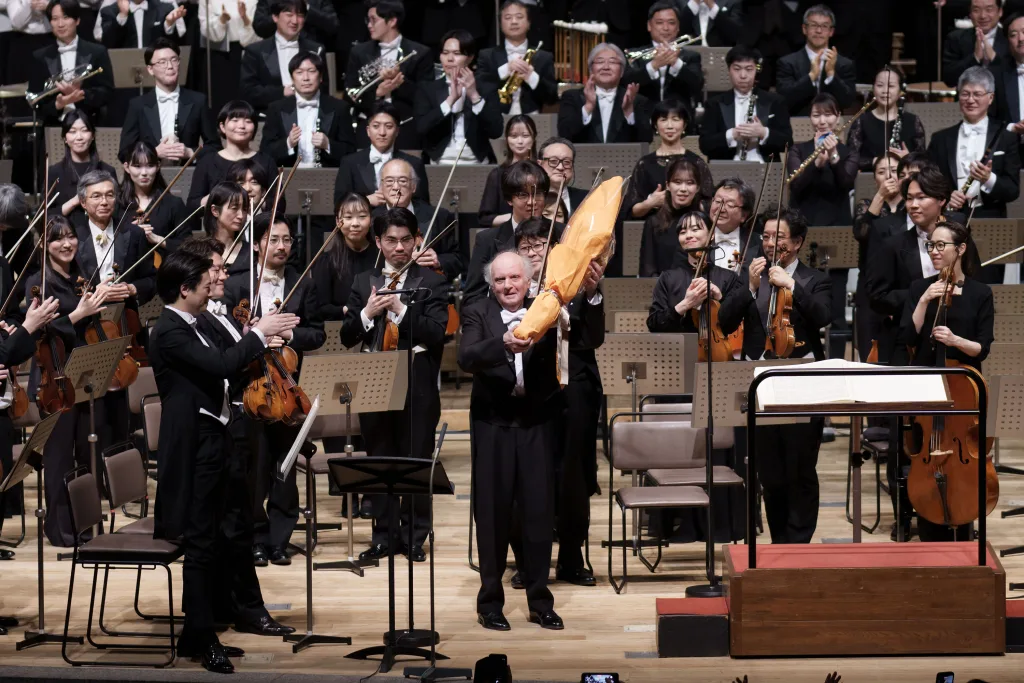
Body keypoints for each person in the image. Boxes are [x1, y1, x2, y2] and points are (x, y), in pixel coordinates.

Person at [150, 249, 297, 673]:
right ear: (185, 288)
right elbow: (220, 365)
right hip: (194, 446)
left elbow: (229, 365)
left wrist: (259, 337)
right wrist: (257, 332)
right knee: (199, 545)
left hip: (212, 441)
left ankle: (196, 633)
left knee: (211, 540)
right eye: (204, 279)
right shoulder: (169, 331)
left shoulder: (195, 325)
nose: (212, 282)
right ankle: (201, 637)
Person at [459, 250, 563, 632]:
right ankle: (489, 603)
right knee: (491, 514)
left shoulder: (548, 308)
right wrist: (501, 343)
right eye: (500, 280)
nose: (507, 286)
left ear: (528, 280)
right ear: (492, 284)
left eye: (514, 279)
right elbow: (466, 357)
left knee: (538, 514)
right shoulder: (476, 311)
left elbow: (587, 337)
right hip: (493, 424)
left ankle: (540, 601)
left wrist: (592, 295)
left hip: (537, 423)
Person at [339, 207, 448, 563]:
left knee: (416, 456)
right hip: (375, 375)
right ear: (378, 242)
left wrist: (401, 309)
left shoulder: (431, 282)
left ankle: (416, 535)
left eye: (405, 240)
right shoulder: (361, 281)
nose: (399, 247)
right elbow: (346, 336)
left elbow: (435, 335)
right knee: (380, 457)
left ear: (417, 239)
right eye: (391, 240)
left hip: (416, 376)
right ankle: (384, 534)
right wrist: (367, 314)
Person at [718, 207, 831, 543]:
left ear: (796, 242)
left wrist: (792, 285)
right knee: (770, 469)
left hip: (803, 381)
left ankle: (799, 541)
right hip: (760, 381)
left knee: (800, 466)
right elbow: (724, 322)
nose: (769, 243)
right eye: (765, 237)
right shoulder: (751, 275)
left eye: (777, 237)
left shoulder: (815, 279)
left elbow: (823, 316)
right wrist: (750, 288)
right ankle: (779, 540)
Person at [220, 212, 324, 565]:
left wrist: (291, 335)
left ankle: (279, 539)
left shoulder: (303, 281)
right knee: (252, 468)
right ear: (257, 243)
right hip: (250, 390)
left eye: (287, 240)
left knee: (285, 466)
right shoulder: (237, 285)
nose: (282, 247)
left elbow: (318, 333)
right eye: (274, 240)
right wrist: (256, 334)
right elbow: (225, 338)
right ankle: (255, 538)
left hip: (288, 389)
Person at [514, 218, 605, 586]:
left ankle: (571, 558)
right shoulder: (511, 288)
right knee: (529, 481)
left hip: (575, 394)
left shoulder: (579, 283)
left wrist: (593, 295)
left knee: (574, 479)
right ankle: (528, 563)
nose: (535, 252)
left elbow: (592, 340)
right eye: (527, 246)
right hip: (529, 396)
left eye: (542, 245)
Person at [895, 220, 994, 542]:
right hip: (925, 387)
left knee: (962, 455)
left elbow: (982, 347)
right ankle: (927, 530)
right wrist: (924, 300)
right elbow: (907, 337)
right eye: (931, 246)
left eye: (941, 246)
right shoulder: (919, 287)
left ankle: (965, 526)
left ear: (961, 249)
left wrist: (954, 341)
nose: (935, 252)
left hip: (964, 389)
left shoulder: (981, 293)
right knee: (925, 452)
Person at [24, 216, 111, 546]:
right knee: (59, 456)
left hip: (84, 373)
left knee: (85, 453)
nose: (66, 243)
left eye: (71, 237)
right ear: (44, 245)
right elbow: (39, 333)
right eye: (57, 238)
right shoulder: (39, 283)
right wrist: (78, 314)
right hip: (54, 379)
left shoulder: (81, 278)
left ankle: (84, 523)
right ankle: (60, 530)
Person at [787, 92, 858, 358]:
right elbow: (796, 184)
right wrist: (817, 162)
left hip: (837, 233)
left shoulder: (849, 150)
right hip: (804, 233)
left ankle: (838, 360)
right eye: (817, 114)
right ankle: (806, 357)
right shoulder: (798, 149)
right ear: (810, 119)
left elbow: (846, 182)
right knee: (802, 294)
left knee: (836, 302)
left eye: (828, 114)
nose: (823, 120)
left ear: (838, 117)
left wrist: (834, 157)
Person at [928, 66, 1021, 222]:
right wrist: (945, 198)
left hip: (991, 218)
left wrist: (988, 178)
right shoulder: (940, 139)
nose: (970, 100)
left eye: (977, 94)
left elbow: (1012, 191)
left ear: (990, 98)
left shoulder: (1006, 137)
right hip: (949, 218)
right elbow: (929, 182)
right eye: (965, 94)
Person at [345, 0, 432, 150]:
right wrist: (377, 93)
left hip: (406, 130)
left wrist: (400, 82)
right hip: (368, 129)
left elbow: (427, 97)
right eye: (368, 20)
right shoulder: (358, 52)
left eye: (373, 20)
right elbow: (349, 94)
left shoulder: (420, 53)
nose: (369, 25)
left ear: (392, 21)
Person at [464, 159, 550, 307]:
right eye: (523, 195)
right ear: (509, 199)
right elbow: (472, 299)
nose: (532, 202)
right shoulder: (487, 240)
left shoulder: (561, 233)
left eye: (538, 194)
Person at [118, 38, 217, 164]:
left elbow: (215, 147)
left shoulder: (198, 101)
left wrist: (190, 153)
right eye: (162, 62)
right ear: (150, 69)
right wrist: (153, 152)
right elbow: (124, 152)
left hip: (189, 175)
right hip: (151, 176)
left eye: (174, 60)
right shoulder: (138, 105)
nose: (170, 66)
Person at [416, 29, 503, 165]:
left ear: (470, 57)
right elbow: (421, 128)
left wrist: (474, 96)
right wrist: (450, 100)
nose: (450, 59)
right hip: (438, 161)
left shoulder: (486, 88)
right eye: (445, 53)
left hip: (477, 161)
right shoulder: (427, 89)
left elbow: (496, 131)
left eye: (457, 53)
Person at [647, 209, 743, 333]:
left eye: (695, 229)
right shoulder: (667, 278)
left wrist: (719, 297)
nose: (688, 235)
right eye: (683, 232)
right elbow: (653, 324)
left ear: (711, 235)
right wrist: (686, 304)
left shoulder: (729, 277)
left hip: (718, 350)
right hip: (679, 349)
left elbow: (736, 325)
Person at [372, 158, 462, 282]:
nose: (396, 187)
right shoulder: (370, 220)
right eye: (389, 181)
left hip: (429, 290)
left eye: (403, 181)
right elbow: (366, 262)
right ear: (380, 187)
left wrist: (438, 260)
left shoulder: (439, 216)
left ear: (413, 186)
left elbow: (458, 259)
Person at [259, 50, 354, 167]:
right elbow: (265, 153)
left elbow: (351, 152)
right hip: (288, 177)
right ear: (292, 79)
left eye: (311, 71)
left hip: (328, 177)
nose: (306, 78)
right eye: (299, 72)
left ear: (320, 77)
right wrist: (288, 143)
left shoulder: (340, 108)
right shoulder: (276, 108)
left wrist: (328, 144)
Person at [699, 45, 793, 163]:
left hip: (765, 170)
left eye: (749, 69)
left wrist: (763, 132)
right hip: (727, 170)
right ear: (729, 70)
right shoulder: (715, 104)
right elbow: (705, 145)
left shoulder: (775, 101)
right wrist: (732, 134)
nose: (743, 76)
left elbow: (788, 142)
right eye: (737, 69)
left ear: (756, 70)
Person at [625, 99, 713, 225]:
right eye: (663, 119)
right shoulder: (644, 164)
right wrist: (651, 202)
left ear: (684, 125)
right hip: (654, 230)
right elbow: (632, 211)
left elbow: (709, 205)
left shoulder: (696, 162)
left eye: (675, 119)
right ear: (655, 125)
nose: (669, 126)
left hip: (690, 230)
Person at [28, 0, 114, 125]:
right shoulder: (40, 57)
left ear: (77, 20)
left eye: (66, 17)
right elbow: (35, 100)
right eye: (55, 19)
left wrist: (79, 94)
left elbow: (107, 93)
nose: (60, 24)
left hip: (90, 124)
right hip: (54, 126)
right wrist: (58, 104)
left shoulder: (97, 52)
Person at [852, 152, 903, 361]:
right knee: (869, 349)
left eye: (894, 171)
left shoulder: (912, 207)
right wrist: (880, 196)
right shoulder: (866, 205)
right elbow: (861, 233)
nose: (888, 176)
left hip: (901, 285)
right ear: (875, 179)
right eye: (882, 172)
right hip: (870, 286)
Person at [332, 100, 429, 207]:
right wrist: (365, 201)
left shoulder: (414, 163)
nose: (382, 133)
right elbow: (338, 205)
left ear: (397, 131)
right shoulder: (350, 163)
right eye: (376, 126)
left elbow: (423, 207)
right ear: (368, 131)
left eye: (388, 126)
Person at [187, 101, 275, 215]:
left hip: (258, 226)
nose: (242, 126)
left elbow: (279, 202)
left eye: (248, 121)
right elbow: (192, 205)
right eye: (235, 120)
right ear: (222, 126)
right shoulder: (207, 162)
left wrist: (253, 203)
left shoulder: (266, 161)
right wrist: (219, 198)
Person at [557, 42, 653, 144]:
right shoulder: (572, 97)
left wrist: (629, 113)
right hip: (583, 158)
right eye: (600, 62)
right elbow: (564, 136)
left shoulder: (636, 100)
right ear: (591, 70)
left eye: (612, 62)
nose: (606, 67)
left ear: (621, 72)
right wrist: (588, 107)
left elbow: (646, 141)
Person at [239, 0, 324, 113]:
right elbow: (248, 92)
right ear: (275, 17)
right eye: (289, 15)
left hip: (309, 115)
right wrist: (282, 92)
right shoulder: (255, 51)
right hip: (268, 118)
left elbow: (323, 90)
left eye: (300, 15)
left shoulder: (316, 49)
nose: (294, 21)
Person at [475, 0, 558, 116]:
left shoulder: (544, 57)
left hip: (533, 121)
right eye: (508, 18)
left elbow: (551, 97)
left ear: (529, 23)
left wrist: (531, 77)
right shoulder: (486, 56)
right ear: (500, 24)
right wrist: (506, 69)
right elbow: (479, 90)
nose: (514, 22)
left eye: (519, 17)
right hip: (496, 122)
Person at [775, 4, 856, 117]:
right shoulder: (787, 63)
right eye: (814, 25)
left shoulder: (844, 64)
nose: (818, 30)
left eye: (824, 26)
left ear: (831, 31)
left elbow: (847, 102)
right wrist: (811, 76)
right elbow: (784, 100)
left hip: (833, 129)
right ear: (804, 29)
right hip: (797, 126)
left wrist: (831, 74)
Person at [622, 1, 704, 112]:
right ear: (649, 26)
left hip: (678, 119)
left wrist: (676, 64)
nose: (666, 28)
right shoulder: (634, 55)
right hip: (643, 119)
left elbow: (697, 86)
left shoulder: (692, 57)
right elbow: (626, 83)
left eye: (671, 23)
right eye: (659, 23)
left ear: (678, 27)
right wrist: (653, 66)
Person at [845, 65, 926, 173]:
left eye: (891, 86)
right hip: (869, 184)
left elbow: (925, 162)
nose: (885, 91)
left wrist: (908, 158)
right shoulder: (862, 121)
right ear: (873, 89)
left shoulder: (913, 121)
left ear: (900, 92)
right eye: (880, 85)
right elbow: (850, 160)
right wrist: (876, 161)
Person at [639, 156, 710, 277]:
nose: (683, 189)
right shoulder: (654, 222)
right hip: (664, 290)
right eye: (677, 182)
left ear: (697, 188)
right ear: (668, 185)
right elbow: (647, 269)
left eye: (690, 183)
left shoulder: (705, 221)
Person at [312, 192, 378, 321]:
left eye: (362, 216)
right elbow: (319, 308)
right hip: (340, 330)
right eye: (348, 217)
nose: (355, 223)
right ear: (338, 221)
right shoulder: (326, 261)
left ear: (370, 220)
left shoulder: (381, 256)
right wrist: (347, 310)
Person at [120, 141, 190, 259]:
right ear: (127, 167)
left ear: (158, 166)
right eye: (137, 166)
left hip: (165, 271)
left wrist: (158, 239)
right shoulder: (117, 203)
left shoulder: (173, 204)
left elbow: (188, 247)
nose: (144, 173)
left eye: (150, 166)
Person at [48, 111, 117, 219]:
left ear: (93, 135)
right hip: (67, 234)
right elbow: (44, 217)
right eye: (72, 131)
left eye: (84, 130)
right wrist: (74, 202)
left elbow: (116, 212)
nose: (79, 137)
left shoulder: (107, 171)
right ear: (65, 138)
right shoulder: (54, 172)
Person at [195, 0, 259, 114]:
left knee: (245, 100)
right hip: (219, 54)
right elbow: (205, 28)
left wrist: (244, 18)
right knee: (221, 102)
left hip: (247, 52)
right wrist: (222, 20)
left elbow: (258, 30)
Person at [479, 115, 537, 227]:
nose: (520, 141)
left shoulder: (541, 171)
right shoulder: (497, 175)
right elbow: (485, 218)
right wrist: (514, 218)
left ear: (533, 138)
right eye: (514, 136)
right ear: (507, 139)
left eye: (525, 136)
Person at [942, 0, 1008, 88]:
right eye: (976, 10)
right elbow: (949, 80)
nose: (983, 16)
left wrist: (994, 58)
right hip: (969, 99)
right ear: (970, 14)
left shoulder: (1010, 38)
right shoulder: (956, 38)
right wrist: (975, 58)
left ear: (1000, 12)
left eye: (989, 9)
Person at [707, 177, 761, 275]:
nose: (721, 209)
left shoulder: (758, 244)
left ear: (744, 215)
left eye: (730, 205)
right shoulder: (696, 239)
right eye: (718, 201)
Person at [203, 181, 250, 276]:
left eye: (244, 209)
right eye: (234, 208)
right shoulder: (199, 252)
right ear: (215, 210)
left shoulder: (252, 252)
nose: (241, 216)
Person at [536, 137, 589, 218]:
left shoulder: (588, 198)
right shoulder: (529, 198)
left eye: (567, 162)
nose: (560, 167)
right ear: (540, 165)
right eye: (553, 161)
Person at [252, 0, 337, 50]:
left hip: (310, 55)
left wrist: (306, 7)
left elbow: (333, 24)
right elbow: (259, 26)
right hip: (274, 55)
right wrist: (281, 13)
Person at [98, 0, 186, 48]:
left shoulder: (164, 9)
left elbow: (172, 46)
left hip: (155, 68)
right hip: (123, 68)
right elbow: (109, 44)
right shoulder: (109, 11)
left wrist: (168, 24)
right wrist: (122, 16)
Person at [993, 12, 1024, 143]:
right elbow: (989, 120)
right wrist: (1013, 128)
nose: (1021, 38)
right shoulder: (997, 75)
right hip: (1013, 151)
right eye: (1013, 35)